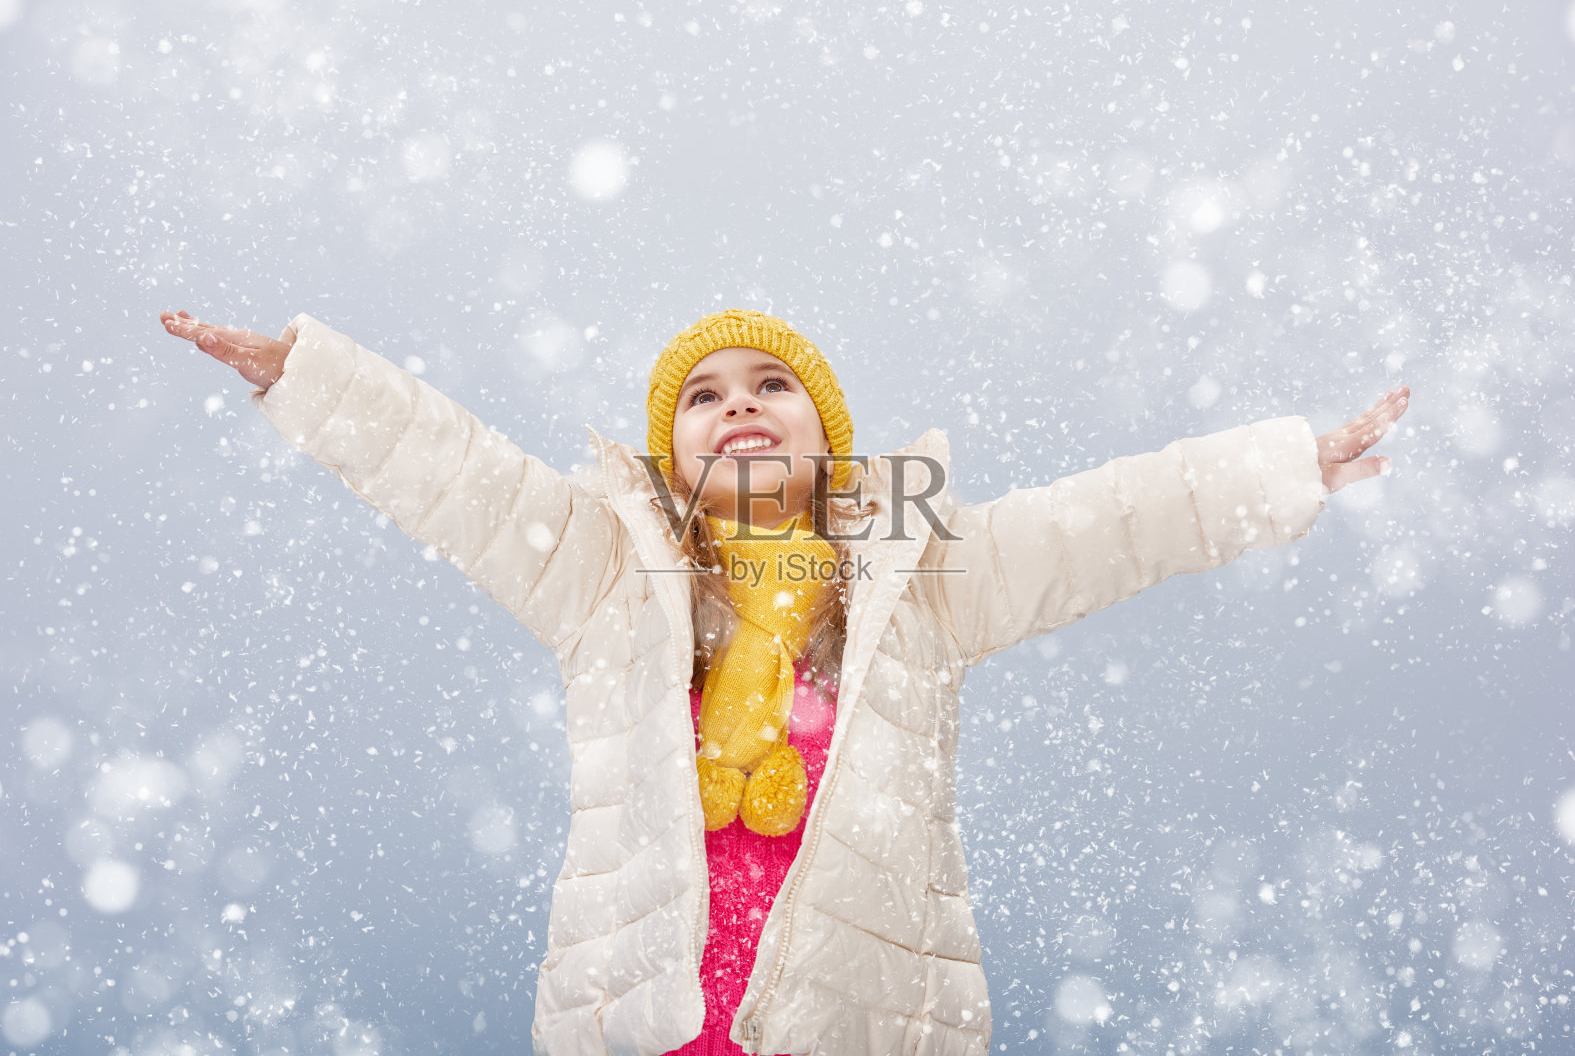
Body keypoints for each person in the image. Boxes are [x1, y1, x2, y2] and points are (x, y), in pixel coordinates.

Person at [156, 306, 1410, 1055]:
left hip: (854, 1013)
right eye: (700, 397)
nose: (738, 408)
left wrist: (1284, 466)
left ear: (830, 446)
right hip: (643, 1017)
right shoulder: (606, 577)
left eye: (772, 389)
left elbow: (1111, 522)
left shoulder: (917, 577)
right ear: (669, 457)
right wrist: (303, 377)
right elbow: (461, 474)